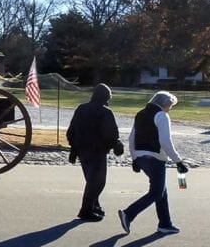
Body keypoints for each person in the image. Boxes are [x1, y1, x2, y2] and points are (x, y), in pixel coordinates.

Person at [118, 91, 189, 236]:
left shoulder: (140, 114)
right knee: (156, 192)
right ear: (165, 104)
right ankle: (129, 213)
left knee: (161, 192)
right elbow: (165, 142)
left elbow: (132, 138)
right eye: (170, 106)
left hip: (141, 157)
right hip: (155, 158)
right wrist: (178, 161)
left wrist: (134, 158)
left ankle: (165, 224)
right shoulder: (162, 116)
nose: (170, 109)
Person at [66, 84, 124, 221]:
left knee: (91, 180)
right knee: (98, 182)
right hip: (97, 151)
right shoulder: (105, 112)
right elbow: (110, 134)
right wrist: (116, 144)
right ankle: (86, 210)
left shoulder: (81, 108)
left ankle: (94, 206)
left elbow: (71, 131)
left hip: (82, 150)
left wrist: (74, 149)